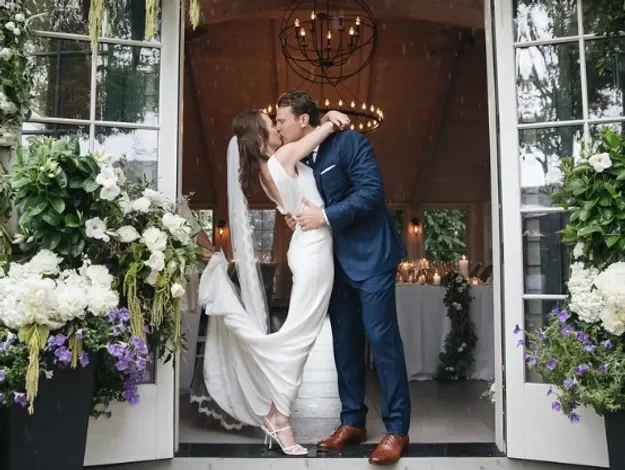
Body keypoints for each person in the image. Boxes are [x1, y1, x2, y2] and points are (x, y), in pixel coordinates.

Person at [196, 106, 350, 456]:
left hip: (310, 247)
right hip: (312, 252)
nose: (277, 127)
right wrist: (329, 120)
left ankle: (275, 411)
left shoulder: (266, 169)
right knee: (300, 337)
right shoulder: (279, 158)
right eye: (271, 124)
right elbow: (319, 133)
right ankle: (278, 416)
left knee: (301, 335)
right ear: (260, 136)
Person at [278, 91, 411, 466]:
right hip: (333, 264)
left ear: (304, 120)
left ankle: (397, 429)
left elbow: (372, 193)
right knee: (345, 345)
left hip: (372, 257)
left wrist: (326, 216)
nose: (278, 126)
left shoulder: (351, 141)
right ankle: (352, 422)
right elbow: (308, 201)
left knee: (383, 342)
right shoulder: (300, 156)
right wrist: (300, 218)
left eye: (282, 120)